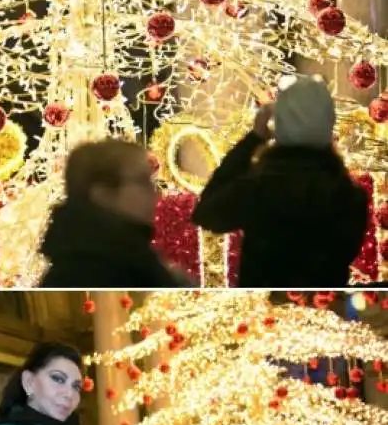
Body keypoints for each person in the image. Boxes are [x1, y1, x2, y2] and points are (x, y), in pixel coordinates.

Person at [193, 75, 368, 286]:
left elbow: (206, 214)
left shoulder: (258, 188)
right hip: (319, 306)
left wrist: (253, 139)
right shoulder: (350, 196)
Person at [40, 140, 183, 288]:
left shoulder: (130, 257)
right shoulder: (86, 274)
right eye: (142, 181)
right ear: (103, 195)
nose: (154, 194)